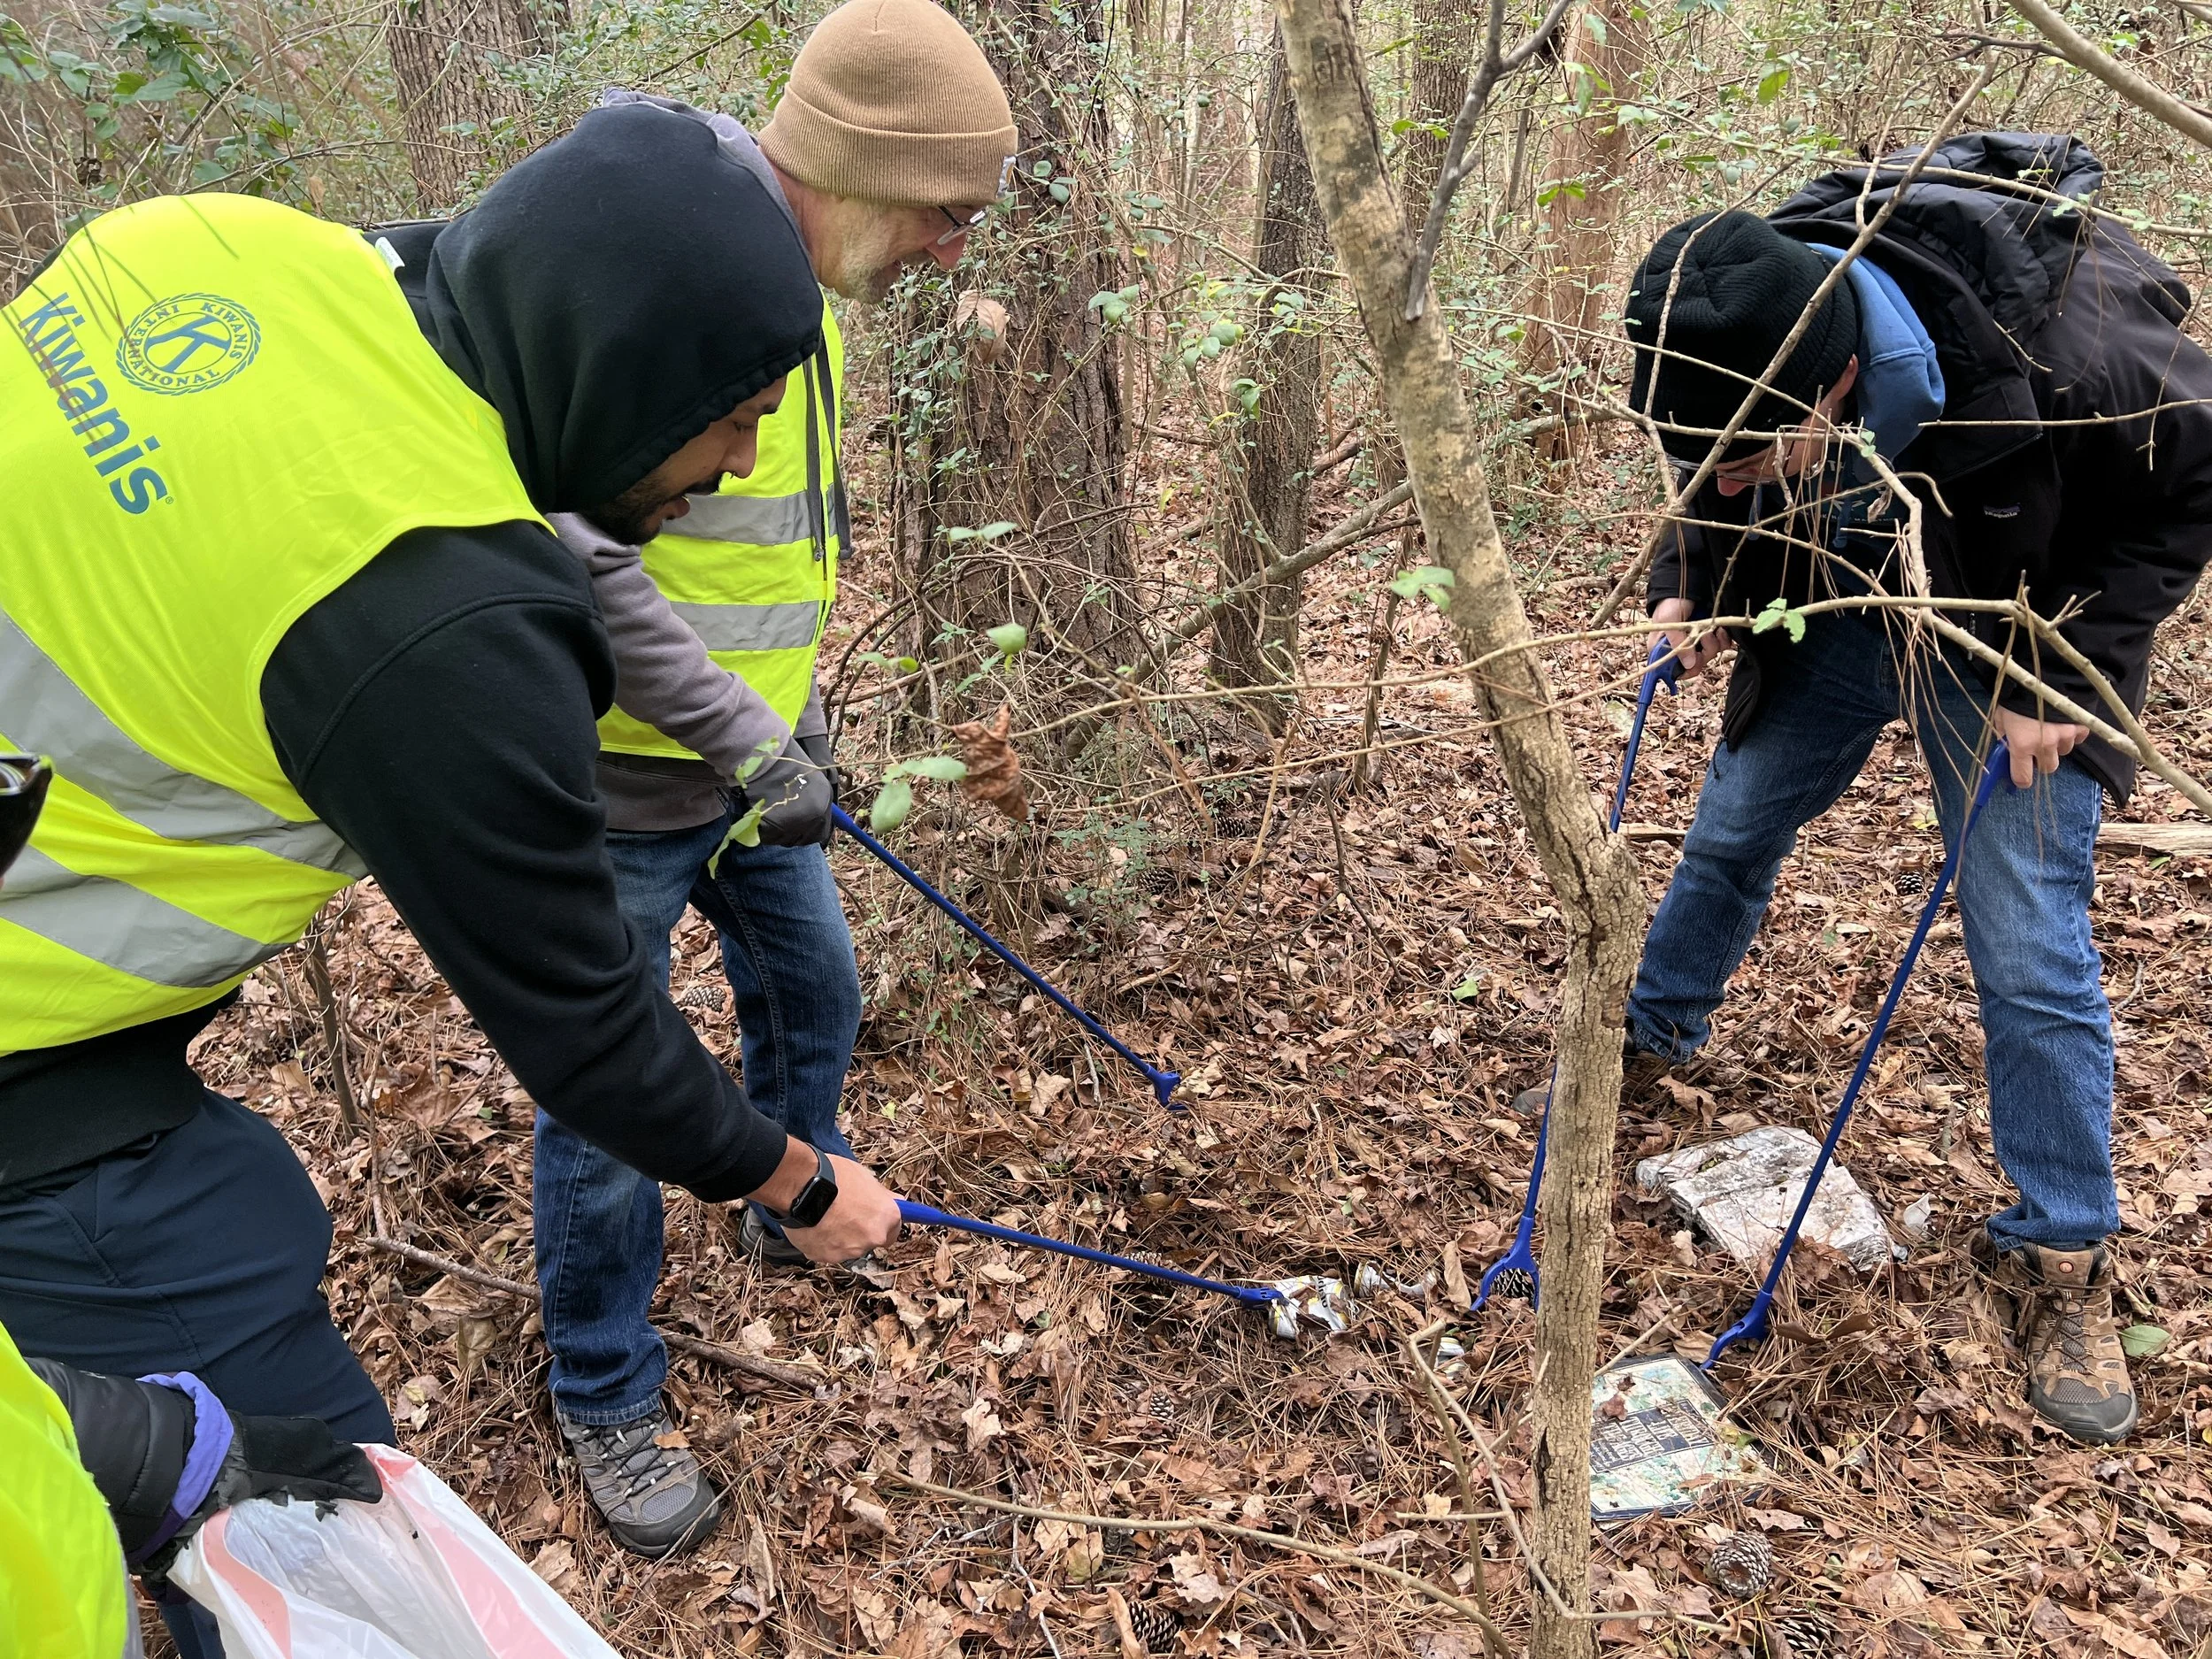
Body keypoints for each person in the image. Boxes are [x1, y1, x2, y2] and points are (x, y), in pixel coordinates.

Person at [0, 91, 905, 1632]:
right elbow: (588, 1031)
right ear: (624, 374)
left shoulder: (215, 247)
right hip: (47, 1115)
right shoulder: (442, 625)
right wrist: (802, 1179)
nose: (745, 456)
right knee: (346, 1542)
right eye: (736, 409)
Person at [1535, 133, 2212, 1446]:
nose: (1722, 469)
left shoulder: (2074, 353)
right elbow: (1715, 456)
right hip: (1844, 584)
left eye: (1747, 449)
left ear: (1836, 379)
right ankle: (1648, 1031)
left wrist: (2060, 673)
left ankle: (2064, 1252)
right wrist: (1693, 569)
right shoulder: (1760, 287)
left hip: (2002, 620)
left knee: (2023, 935)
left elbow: (2191, 492)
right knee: (1732, 821)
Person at [518, 0, 1018, 1557]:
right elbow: (587, 555)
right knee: (607, 1100)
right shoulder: (680, 279)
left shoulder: (801, 287)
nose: (950, 251)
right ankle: (603, 1383)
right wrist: (750, 734)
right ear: (864, 169)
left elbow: (748, 553)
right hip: (622, 779)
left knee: (819, 981)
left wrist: (785, 733)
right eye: (943, 212)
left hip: (749, 773)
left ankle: (788, 1193)